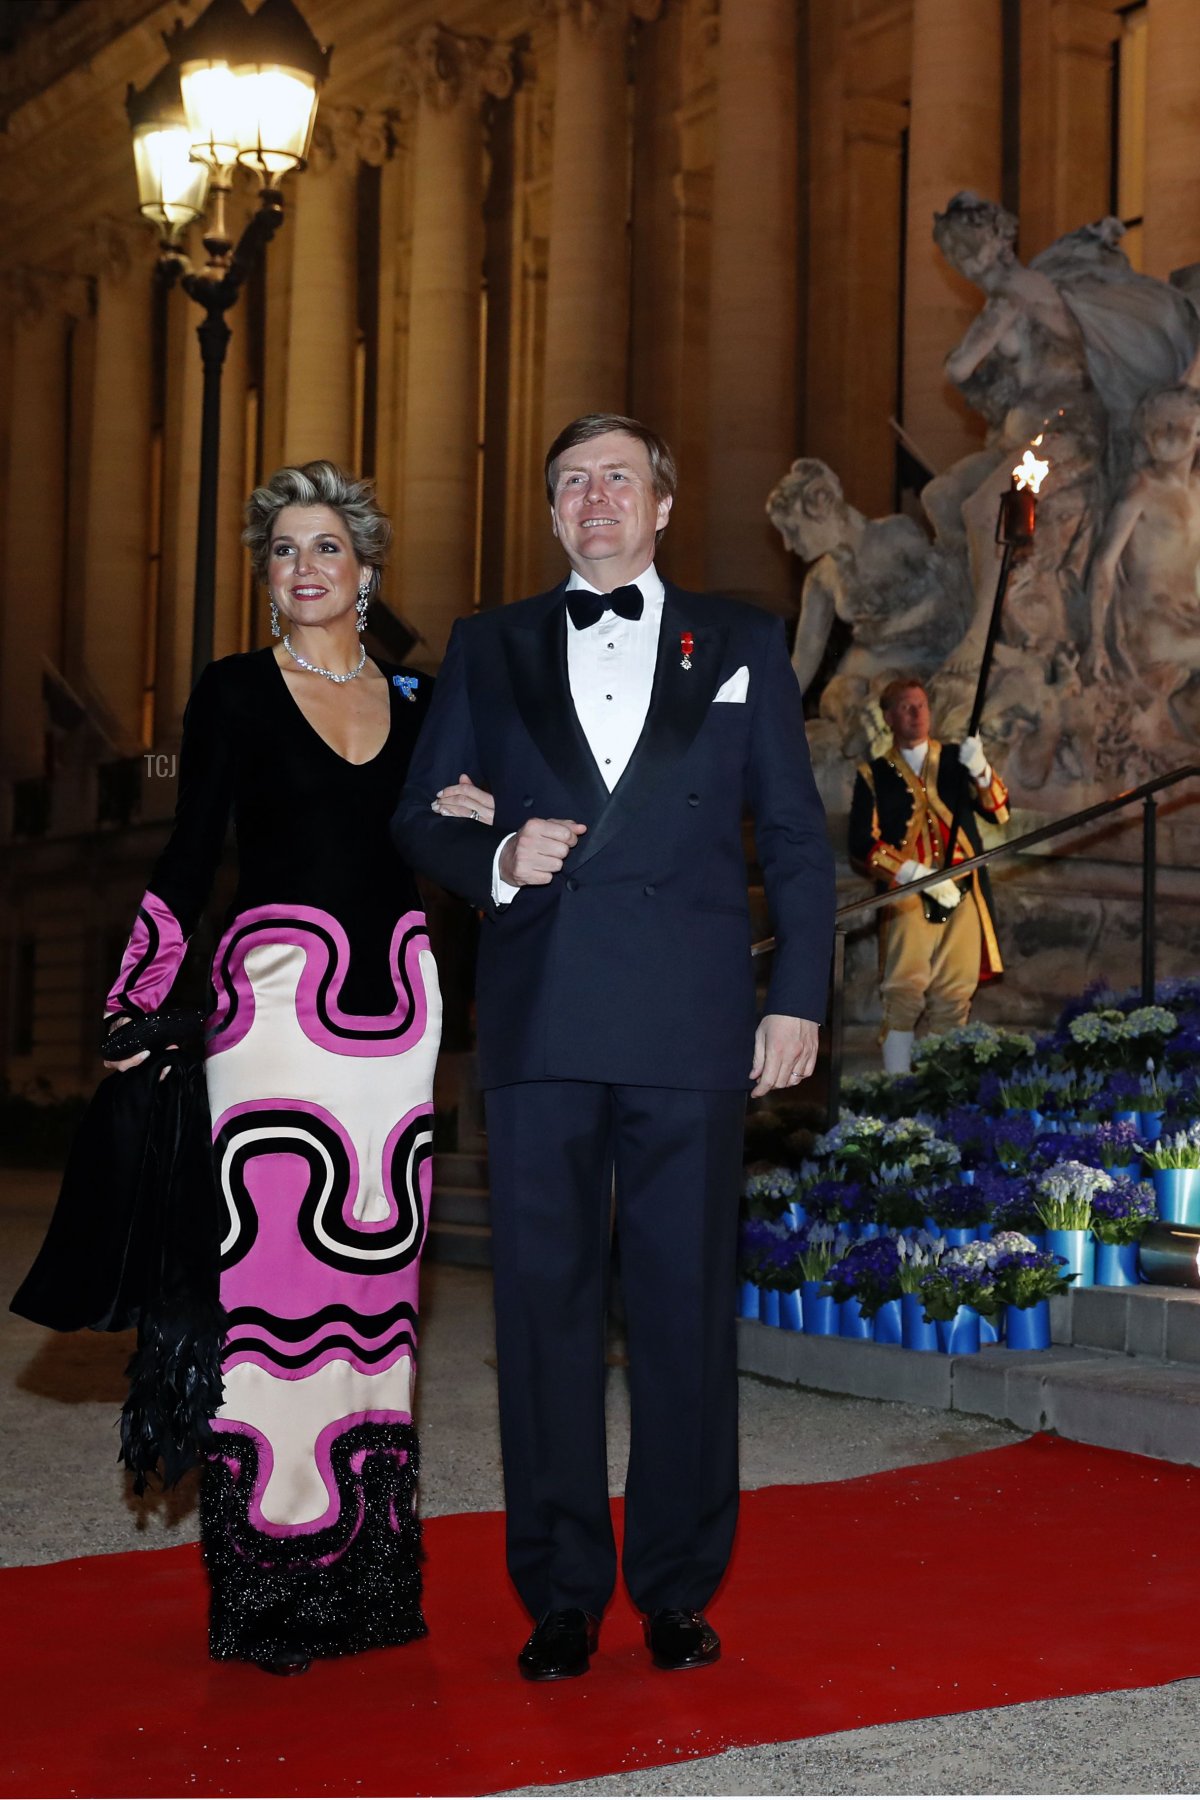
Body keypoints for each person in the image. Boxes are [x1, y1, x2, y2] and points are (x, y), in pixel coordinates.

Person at [392, 413, 836, 1682]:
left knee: (686, 1315)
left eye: (619, 479)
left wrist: (797, 998)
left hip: (691, 1025)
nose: (596, 499)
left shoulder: (742, 641)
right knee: (544, 1315)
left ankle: (680, 1586)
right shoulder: (488, 645)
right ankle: (563, 1593)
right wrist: (493, 856)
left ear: (662, 505)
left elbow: (796, 842)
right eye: (573, 483)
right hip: (538, 1022)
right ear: (551, 516)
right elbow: (417, 813)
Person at [102, 461, 493, 1675]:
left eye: (327, 548)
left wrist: (486, 844)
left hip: (397, 1018)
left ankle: (370, 1576)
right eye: (284, 552)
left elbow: (453, 845)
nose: (306, 568)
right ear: (269, 580)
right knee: (272, 1294)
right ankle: (270, 1585)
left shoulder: (425, 704)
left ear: (367, 572)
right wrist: (136, 992)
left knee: (377, 1293)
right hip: (272, 1007)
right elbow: (188, 851)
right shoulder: (232, 693)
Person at [847, 677, 1008, 1074]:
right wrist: (913, 872)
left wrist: (983, 772)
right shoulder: (874, 774)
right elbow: (862, 843)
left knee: (955, 993)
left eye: (922, 705)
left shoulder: (955, 759)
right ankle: (897, 1089)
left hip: (963, 887)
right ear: (889, 717)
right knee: (903, 989)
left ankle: (944, 1092)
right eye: (906, 707)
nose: (917, 714)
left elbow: (999, 812)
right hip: (908, 894)